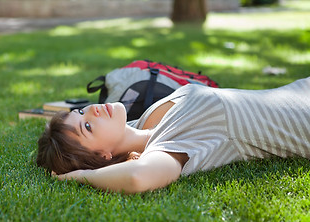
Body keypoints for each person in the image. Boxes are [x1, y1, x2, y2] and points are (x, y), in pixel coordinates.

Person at [36, 77, 310, 194]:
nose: (93, 110)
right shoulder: (166, 145)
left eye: (82, 111)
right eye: (87, 127)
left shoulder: (143, 123)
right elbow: (137, 177)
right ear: (103, 156)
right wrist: (79, 175)